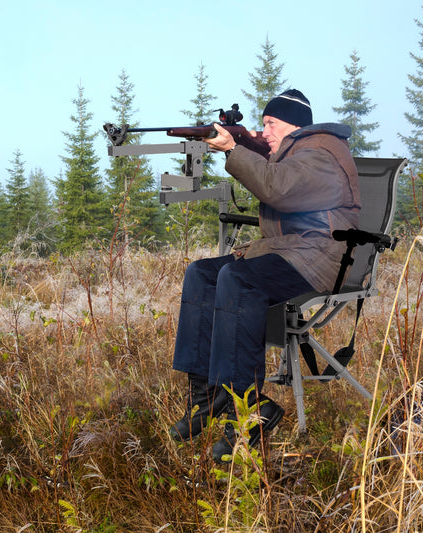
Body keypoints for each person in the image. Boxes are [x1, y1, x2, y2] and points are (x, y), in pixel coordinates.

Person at [169, 89, 361, 462]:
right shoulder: (300, 151)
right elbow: (276, 169)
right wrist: (236, 142)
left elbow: (279, 188)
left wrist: (232, 150)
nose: (265, 130)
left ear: (295, 125)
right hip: (293, 250)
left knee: (238, 280)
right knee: (202, 274)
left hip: (321, 256)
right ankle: (207, 400)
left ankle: (250, 413)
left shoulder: (322, 154)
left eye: (270, 123)